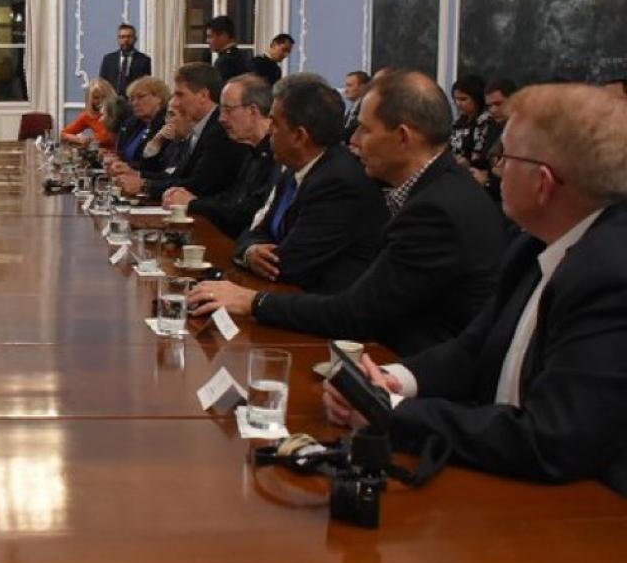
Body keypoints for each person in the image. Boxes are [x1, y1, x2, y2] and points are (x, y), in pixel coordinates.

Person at [323, 83, 627, 494]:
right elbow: (473, 350)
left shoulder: (611, 275)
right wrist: (392, 381)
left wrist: (395, 414)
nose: (495, 169)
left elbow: (552, 439)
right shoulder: (534, 243)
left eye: (505, 156)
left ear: (543, 183)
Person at [190, 71, 508, 356]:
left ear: (402, 137)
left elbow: (359, 311)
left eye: (365, 131)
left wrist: (252, 301)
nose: (353, 142)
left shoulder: (436, 208)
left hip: (410, 367)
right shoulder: (436, 186)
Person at [229, 74, 387, 293]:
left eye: (274, 122)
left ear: (299, 136)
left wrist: (250, 252)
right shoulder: (293, 170)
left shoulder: (338, 182)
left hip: (324, 311)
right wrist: (250, 251)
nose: (268, 130)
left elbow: (286, 265)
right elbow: (254, 229)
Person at [164, 74, 281, 238]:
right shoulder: (249, 148)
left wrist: (193, 204)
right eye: (221, 110)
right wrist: (191, 200)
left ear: (252, 111)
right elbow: (229, 198)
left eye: (228, 110)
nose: (221, 118)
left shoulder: (277, 154)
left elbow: (248, 213)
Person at [115, 62, 245, 201]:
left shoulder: (220, 130)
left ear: (203, 95)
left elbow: (200, 185)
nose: (175, 102)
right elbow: (176, 176)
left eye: (180, 95)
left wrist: (145, 186)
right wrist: (139, 177)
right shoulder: (200, 128)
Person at [470, 78, 518, 198]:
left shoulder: (525, 133)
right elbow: (485, 160)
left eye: (498, 104)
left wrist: (487, 182)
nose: (493, 110)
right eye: (489, 106)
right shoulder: (493, 126)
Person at [113, 76, 169, 167]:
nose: (135, 103)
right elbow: (121, 154)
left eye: (141, 97)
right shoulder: (131, 124)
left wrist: (128, 168)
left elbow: (157, 165)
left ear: (159, 98)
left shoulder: (166, 125)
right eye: (132, 99)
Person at [98, 23, 152, 97]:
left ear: (135, 39)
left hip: (133, 102)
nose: (126, 40)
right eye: (122, 37)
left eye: (129, 37)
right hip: (112, 102)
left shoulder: (144, 60)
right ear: (118, 39)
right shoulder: (108, 59)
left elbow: (146, 85)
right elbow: (102, 83)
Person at [449, 74, 491, 166]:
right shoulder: (459, 123)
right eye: (455, 99)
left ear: (477, 99)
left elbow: (479, 153)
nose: (458, 104)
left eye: (463, 99)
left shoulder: (484, 122)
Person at [61, 78, 117, 147]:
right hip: (103, 155)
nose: (100, 100)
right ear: (91, 100)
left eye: (104, 96)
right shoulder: (89, 115)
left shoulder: (118, 112)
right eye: (96, 98)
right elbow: (64, 134)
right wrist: (79, 139)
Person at [205, 15, 251, 94]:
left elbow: (219, 92)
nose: (207, 41)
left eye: (210, 36)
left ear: (224, 36)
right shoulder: (238, 55)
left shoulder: (225, 61)